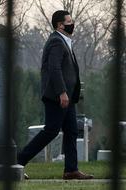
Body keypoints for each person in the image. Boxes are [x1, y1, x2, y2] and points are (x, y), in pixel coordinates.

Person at [17, 10, 94, 180]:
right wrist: (62, 92)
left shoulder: (64, 41)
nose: (72, 23)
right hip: (58, 97)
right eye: (69, 21)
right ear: (60, 25)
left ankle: (71, 170)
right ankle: (17, 163)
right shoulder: (56, 42)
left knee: (72, 131)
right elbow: (54, 68)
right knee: (51, 131)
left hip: (68, 97)